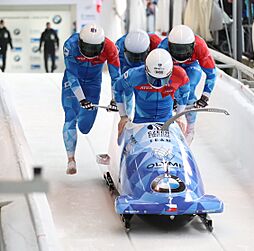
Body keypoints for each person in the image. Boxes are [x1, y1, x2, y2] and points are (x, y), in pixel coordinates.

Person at [62, 23, 120, 175]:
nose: (89, 52)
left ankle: (82, 119)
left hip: (94, 83)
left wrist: (115, 100)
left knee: (85, 127)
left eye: (94, 49)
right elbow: (72, 75)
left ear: (101, 46)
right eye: (86, 47)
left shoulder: (111, 48)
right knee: (70, 116)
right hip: (73, 82)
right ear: (80, 42)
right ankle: (71, 160)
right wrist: (81, 99)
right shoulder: (70, 45)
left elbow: (116, 77)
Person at [158, 24, 217, 145]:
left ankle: (190, 128)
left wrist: (206, 95)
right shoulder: (162, 49)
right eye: (177, 49)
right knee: (169, 89)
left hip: (192, 66)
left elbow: (211, 73)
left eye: (184, 50)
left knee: (189, 87)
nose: (180, 54)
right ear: (169, 46)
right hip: (171, 66)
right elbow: (157, 75)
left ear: (193, 46)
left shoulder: (200, 46)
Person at [115, 48, 190, 137]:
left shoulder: (180, 75)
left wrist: (179, 115)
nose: (158, 83)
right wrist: (123, 116)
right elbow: (118, 87)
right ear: (146, 70)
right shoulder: (134, 75)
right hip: (140, 123)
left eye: (163, 79)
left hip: (167, 122)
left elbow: (184, 93)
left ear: (170, 72)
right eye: (153, 78)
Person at [115, 29, 161, 115]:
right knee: (126, 91)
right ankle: (128, 115)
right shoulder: (119, 47)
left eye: (140, 56)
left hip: (147, 67)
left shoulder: (157, 44)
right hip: (127, 65)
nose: (137, 59)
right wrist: (116, 99)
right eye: (133, 56)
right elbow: (117, 77)